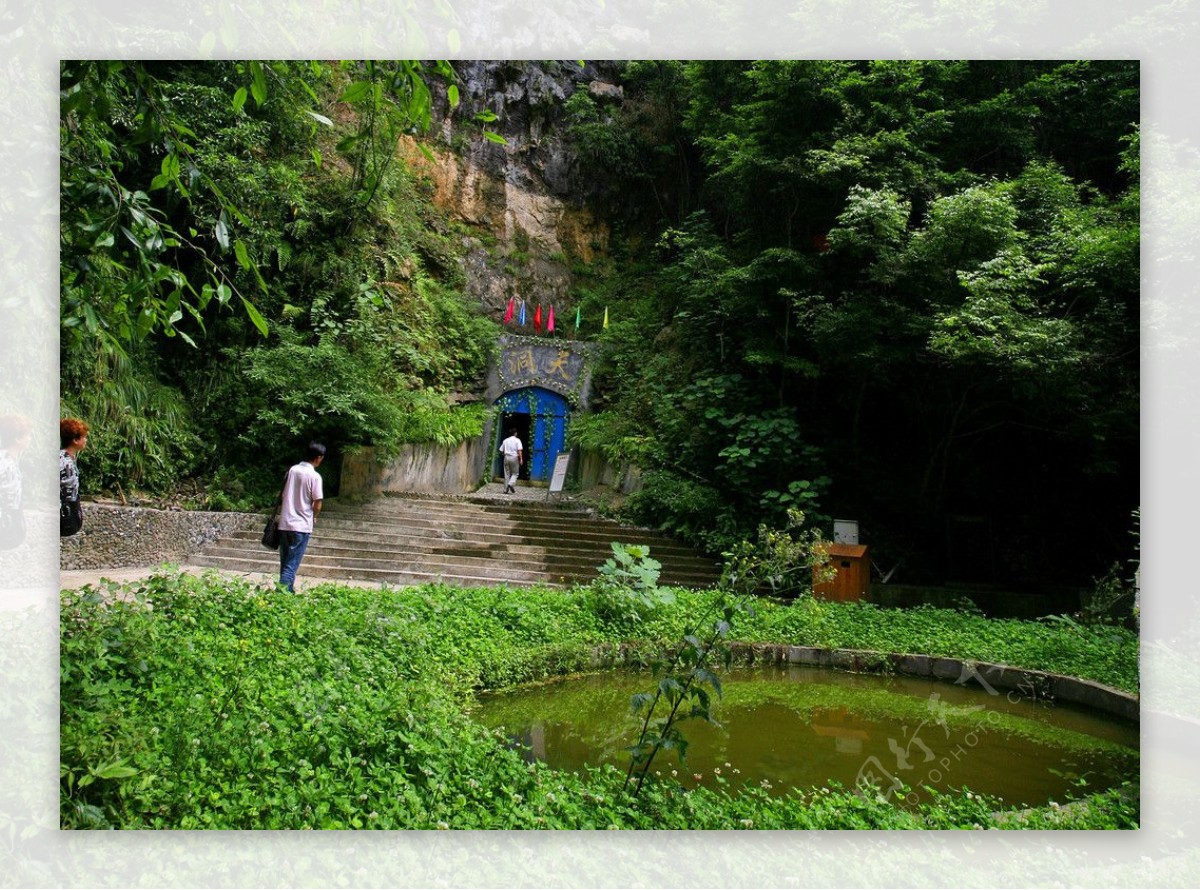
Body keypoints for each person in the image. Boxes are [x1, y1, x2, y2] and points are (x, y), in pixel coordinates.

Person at [277, 441, 326, 592]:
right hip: (301, 526)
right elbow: (317, 503)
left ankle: (288, 593)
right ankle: (280, 596)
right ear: (318, 458)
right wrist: (314, 516)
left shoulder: (293, 470)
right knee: (291, 566)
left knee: (285, 564)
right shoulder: (314, 476)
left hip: (285, 523)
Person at [0, 414, 32, 549]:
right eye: (28, 435)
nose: (30, 439)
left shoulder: (11, 460)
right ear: (17, 438)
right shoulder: (5, 462)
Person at [59, 417, 89, 537]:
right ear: (75, 440)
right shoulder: (65, 462)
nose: (85, 440)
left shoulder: (68, 458)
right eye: (84, 437)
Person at [499, 428, 523, 494]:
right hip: (514, 457)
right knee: (515, 473)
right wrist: (521, 459)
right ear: (515, 433)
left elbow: (501, 450)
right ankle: (510, 484)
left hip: (506, 457)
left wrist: (504, 455)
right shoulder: (517, 440)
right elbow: (519, 450)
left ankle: (505, 490)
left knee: (507, 474)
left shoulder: (505, 440)